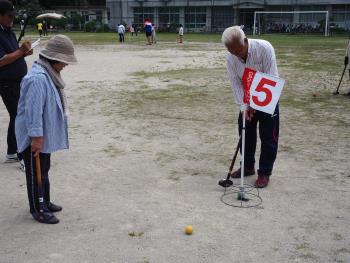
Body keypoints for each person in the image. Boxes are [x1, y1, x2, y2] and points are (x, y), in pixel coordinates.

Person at [15, 35, 77, 224]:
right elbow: (33, 112)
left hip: (42, 135)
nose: (65, 65)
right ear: (55, 59)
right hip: (34, 136)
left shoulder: (48, 74)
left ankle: (46, 200)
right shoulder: (38, 79)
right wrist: (36, 137)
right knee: (35, 172)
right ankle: (38, 208)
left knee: (45, 168)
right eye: (64, 61)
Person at [222, 26, 280, 188]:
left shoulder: (264, 48)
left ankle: (264, 173)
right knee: (245, 133)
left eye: (239, 50)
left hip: (269, 95)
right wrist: (245, 105)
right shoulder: (231, 57)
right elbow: (235, 83)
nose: (237, 55)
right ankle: (247, 166)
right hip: (246, 98)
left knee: (269, 137)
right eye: (233, 52)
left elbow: (271, 78)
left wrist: (256, 102)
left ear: (246, 41)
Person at [0, 0, 32, 168]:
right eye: (9, 16)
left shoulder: (9, 32)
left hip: (18, 80)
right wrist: (20, 51)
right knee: (20, 116)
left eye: (13, 16)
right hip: (7, 83)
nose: (12, 19)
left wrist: (24, 52)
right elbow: (2, 61)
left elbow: (13, 56)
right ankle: (22, 155)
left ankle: (12, 151)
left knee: (16, 116)